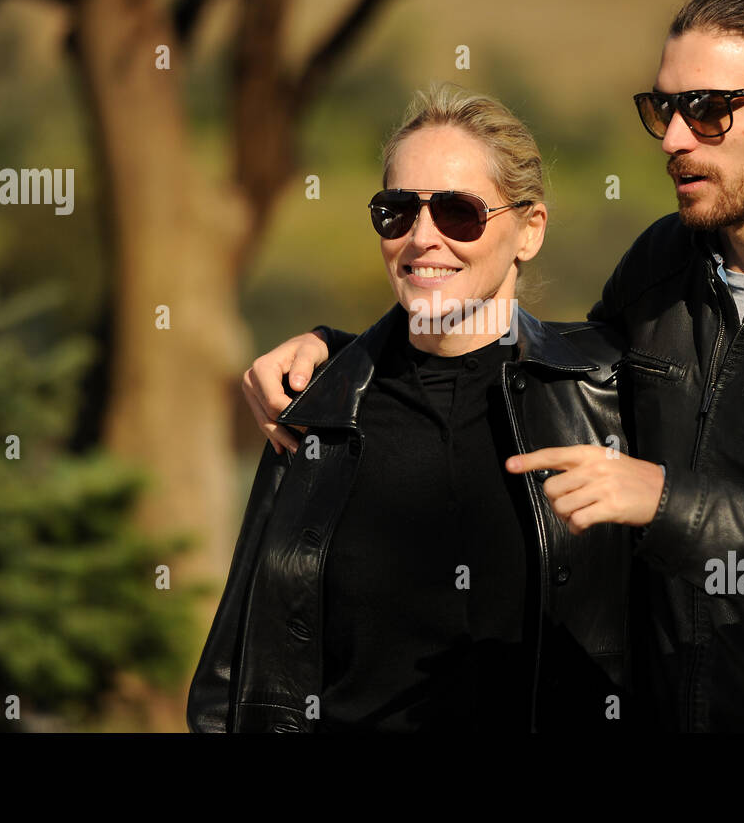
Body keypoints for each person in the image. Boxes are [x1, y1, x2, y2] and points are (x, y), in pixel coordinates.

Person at [244, 0, 744, 732]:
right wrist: (341, 358)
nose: (673, 138)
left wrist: (664, 501)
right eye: (664, 108)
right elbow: (541, 368)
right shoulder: (661, 264)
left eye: (708, 111)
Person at [188, 84, 638, 732]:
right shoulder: (318, 409)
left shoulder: (605, 393)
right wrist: (333, 353)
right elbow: (231, 676)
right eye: (397, 212)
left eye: (458, 212)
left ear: (529, 229)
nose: (423, 239)